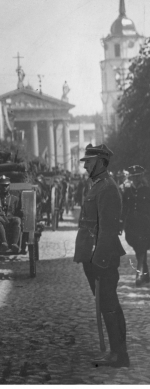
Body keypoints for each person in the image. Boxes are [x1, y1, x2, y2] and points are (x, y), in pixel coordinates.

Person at [74, 143, 129, 368]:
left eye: (88, 161)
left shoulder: (107, 188)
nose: (85, 164)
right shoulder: (97, 185)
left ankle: (119, 354)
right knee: (106, 304)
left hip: (101, 256)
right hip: (92, 254)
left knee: (109, 304)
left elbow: (107, 228)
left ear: (100, 162)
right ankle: (117, 352)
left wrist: (99, 259)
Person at [122, 165, 150, 286]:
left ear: (141, 177)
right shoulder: (127, 191)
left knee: (141, 248)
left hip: (144, 224)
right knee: (138, 248)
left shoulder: (147, 190)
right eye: (133, 177)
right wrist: (121, 223)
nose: (135, 179)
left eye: (137, 177)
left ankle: (139, 275)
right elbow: (124, 208)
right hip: (132, 224)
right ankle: (146, 273)